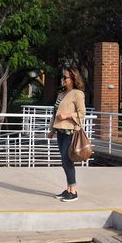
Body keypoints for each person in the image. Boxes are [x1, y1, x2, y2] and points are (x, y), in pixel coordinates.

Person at [47, 68, 86, 202]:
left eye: (66, 77)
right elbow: (54, 114)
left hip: (70, 132)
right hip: (60, 132)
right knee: (65, 161)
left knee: (67, 161)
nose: (63, 80)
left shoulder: (77, 94)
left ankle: (73, 191)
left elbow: (82, 114)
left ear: (73, 79)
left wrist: (67, 115)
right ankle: (68, 189)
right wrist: (52, 130)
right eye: (63, 77)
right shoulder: (61, 94)